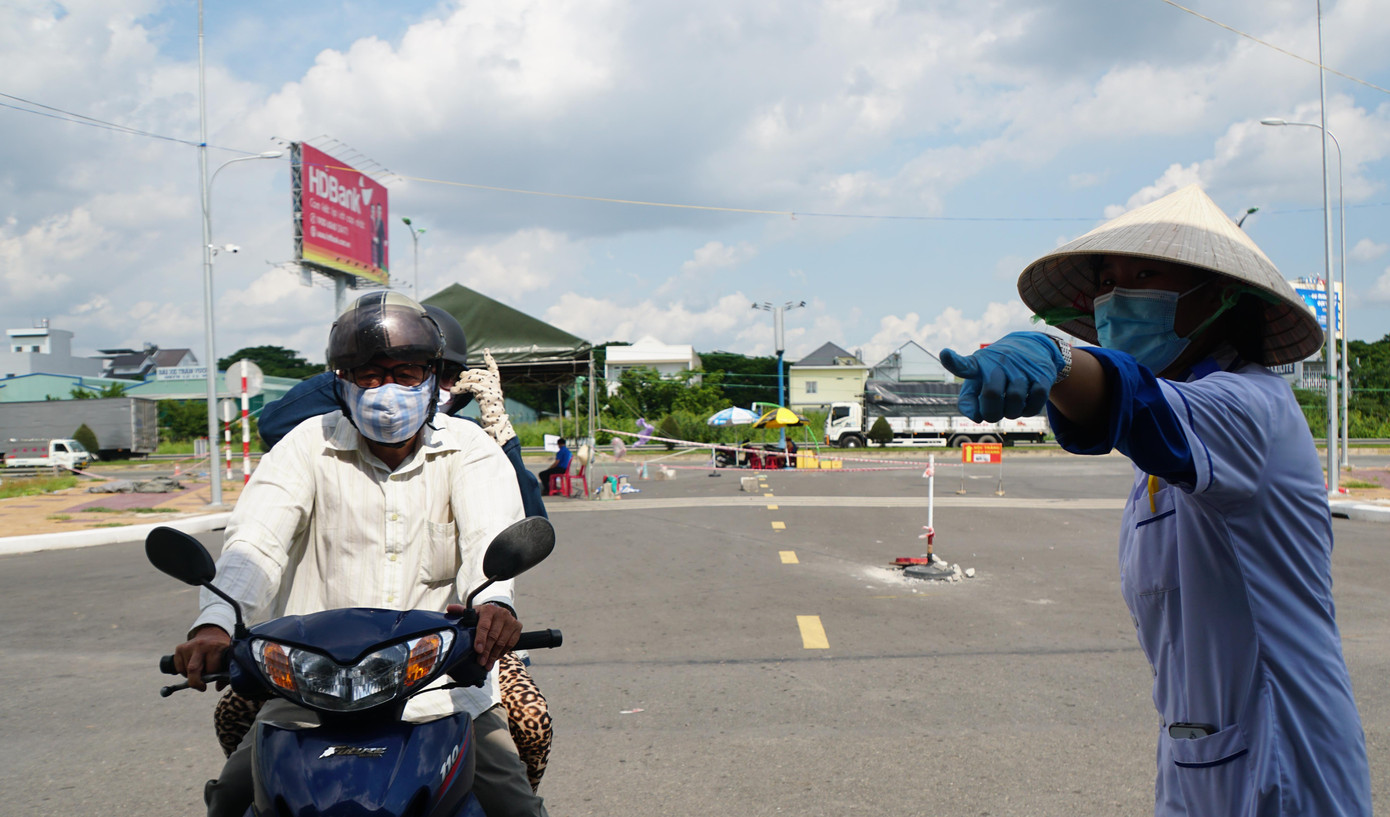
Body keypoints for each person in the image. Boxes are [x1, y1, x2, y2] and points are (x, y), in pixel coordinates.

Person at [938, 184, 1371, 815]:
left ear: (1220, 296)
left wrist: (1056, 357)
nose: (1118, 298)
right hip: (1199, 757)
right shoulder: (1171, 448)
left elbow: (1132, 402)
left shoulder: (1250, 407)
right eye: (1107, 282)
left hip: (1285, 762)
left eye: (1144, 276)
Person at [173, 291, 549, 817]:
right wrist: (216, 622)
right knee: (232, 800)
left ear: (433, 378)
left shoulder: (471, 449)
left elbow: (489, 537)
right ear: (341, 383)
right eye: (369, 375)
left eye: (406, 373)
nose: (387, 390)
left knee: (515, 807)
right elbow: (256, 542)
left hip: (439, 689)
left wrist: (492, 603)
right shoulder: (305, 445)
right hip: (312, 689)